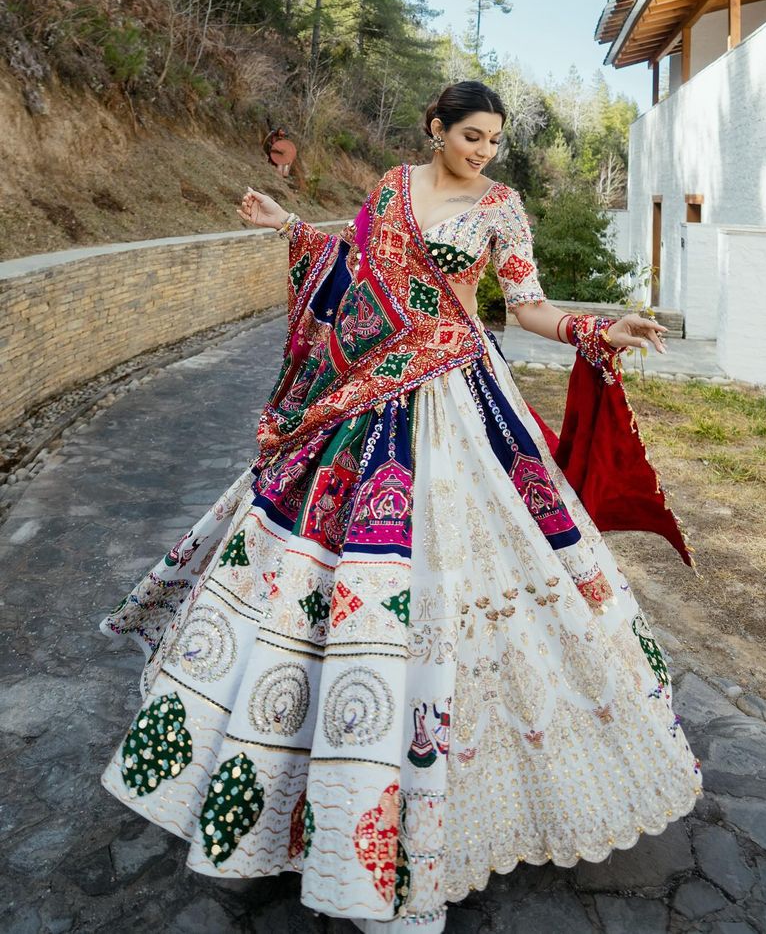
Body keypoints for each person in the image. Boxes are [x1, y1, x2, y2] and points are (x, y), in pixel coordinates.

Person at [98, 80, 702, 933]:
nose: (484, 152)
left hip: (460, 396)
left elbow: (523, 304)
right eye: (472, 137)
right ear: (436, 127)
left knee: (480, 573)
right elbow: (353, 258)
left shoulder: (500, 208)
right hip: (366, 399)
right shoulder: (389, 187)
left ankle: (476, 789)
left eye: (494, 141)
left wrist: (598, 330)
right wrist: (287, 227)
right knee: (328, 569)